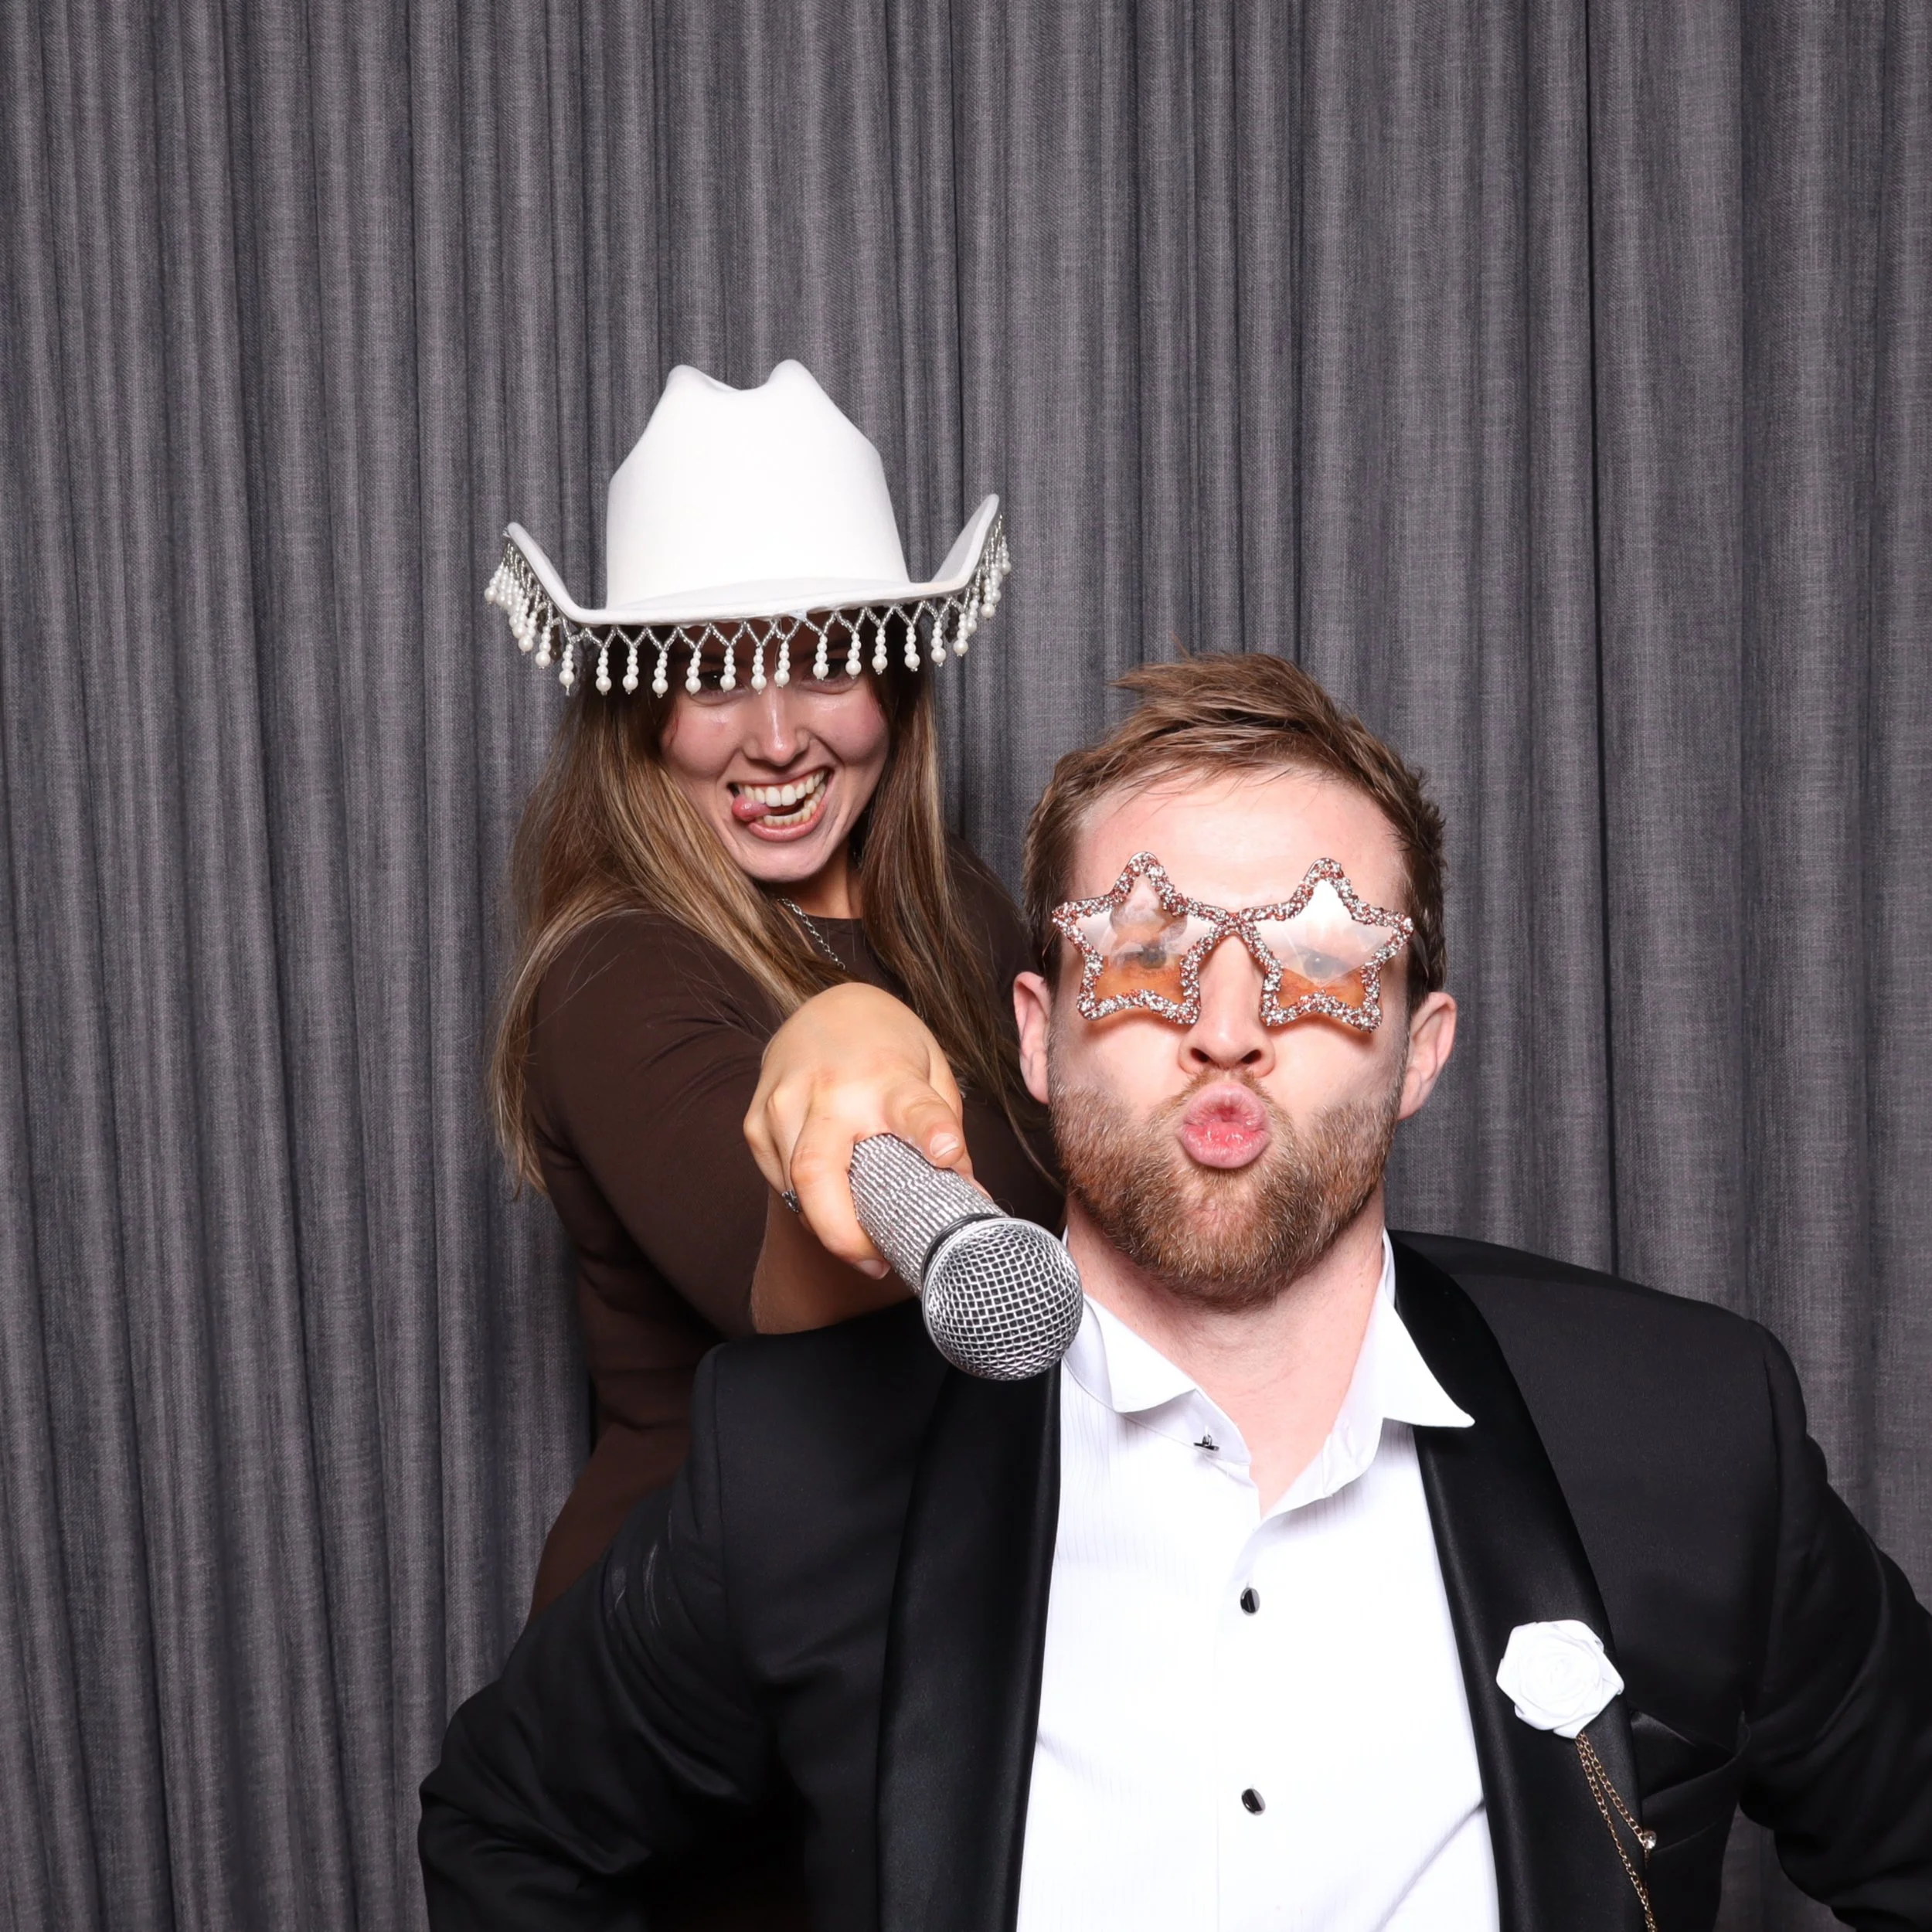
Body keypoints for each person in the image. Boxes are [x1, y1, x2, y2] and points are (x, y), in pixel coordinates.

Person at [424, 654, 1932, 1930]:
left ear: (1418, 1045)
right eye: (1144, 957)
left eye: (1320, 960)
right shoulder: (803, 1468)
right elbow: (509, 1831)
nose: (1225, 1024)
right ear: (1035, 1033)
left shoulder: (1684, 1435)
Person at [486, 359, 1057, 1616]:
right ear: (635, 710)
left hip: (939, 1609)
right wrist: (849, 1033)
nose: (779, 736)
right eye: (711, 676)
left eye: (828, 662)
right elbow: (794, 1299)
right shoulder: (612, 973)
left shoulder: (958, 909)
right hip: (704, 1662)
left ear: (900, 681)